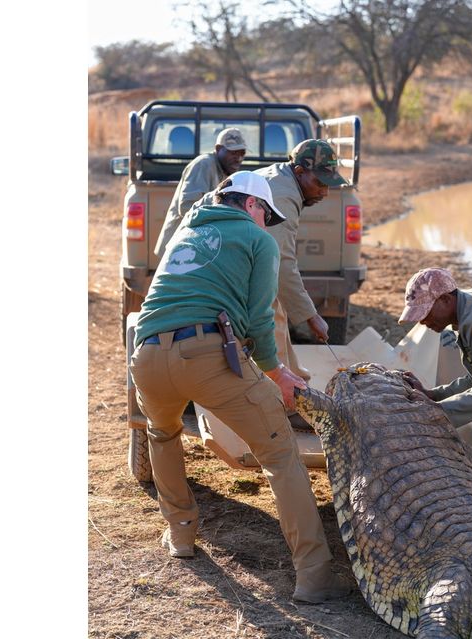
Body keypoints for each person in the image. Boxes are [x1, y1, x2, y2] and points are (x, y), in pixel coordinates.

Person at [129, 170, 353, 604]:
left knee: (162, 433)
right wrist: (278, 373)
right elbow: (258, 319)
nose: (266, 224)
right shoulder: (258, 241)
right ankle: (315, 577)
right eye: (266, 215)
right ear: (253, 205)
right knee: (280, 454)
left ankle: (180, 535)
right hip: (206, 353)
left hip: (147, 356)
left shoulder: (185, 232)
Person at [258, 139, 348, 381]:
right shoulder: (283, 195)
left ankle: (293, 375)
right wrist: (311, 316)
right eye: (320, 183)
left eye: (329, 185)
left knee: (276, 302)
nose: (325, 192)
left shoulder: (283, 179)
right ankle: (280, 393)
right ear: (299, 172)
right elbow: (280, 264)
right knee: (266, 308)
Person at [398, 267, 472, 430]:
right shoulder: (467, 308)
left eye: (425, 311)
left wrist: (436, 414)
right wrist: (434, 395)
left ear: (445, 300)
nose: (422, 321)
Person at [152, 127, 248, 261]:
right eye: (233, 153)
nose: (238, 158)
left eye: (242, 153)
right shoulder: (204, 165)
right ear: (219, 149)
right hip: (180, 249)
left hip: (191, 249)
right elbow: (187, 207)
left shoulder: (223, 170)